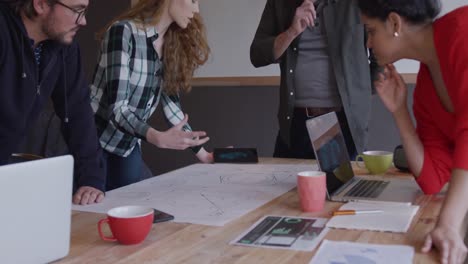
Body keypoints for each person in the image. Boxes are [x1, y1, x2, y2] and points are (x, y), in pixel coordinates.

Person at [357, 0, 468, 263]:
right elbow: (431, 179)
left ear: (395, 23)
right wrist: (399, 111)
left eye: (370, 31)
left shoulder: (462, 32)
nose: (368, 44)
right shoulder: (426, 87)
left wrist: (449, 224)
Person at [90, 0, 212, 190]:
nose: (196, 10)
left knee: (131, 207)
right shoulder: (123, 32)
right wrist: (158, 137)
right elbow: (118, 109)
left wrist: (204, 155)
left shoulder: (170, 45)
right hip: (93, 141)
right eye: (193, 0)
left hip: (127, 145)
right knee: (89, 211)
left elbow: (173, 108)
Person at [0, 0, 105, 205]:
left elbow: (77, 111)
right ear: (40, 4)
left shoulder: (62, 47)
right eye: (77, 10)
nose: (83, 21)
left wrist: (91, 179)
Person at [250, 0, 379, 160]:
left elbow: (381, 53)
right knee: (284, 183)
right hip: (295, 122)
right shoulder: (279, 4)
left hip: (344, 121)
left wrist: (362, 94)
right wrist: (291, 32)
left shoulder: (355, 4)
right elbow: (256, 55)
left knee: (342, 184)